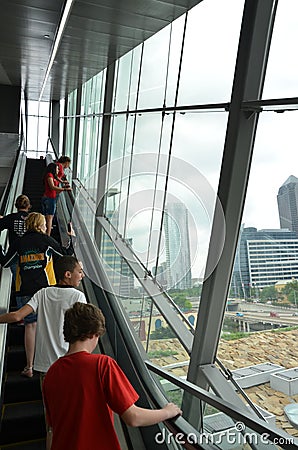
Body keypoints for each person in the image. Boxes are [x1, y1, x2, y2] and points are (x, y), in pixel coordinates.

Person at [43, 302, 182, 450]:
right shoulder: (102, 364)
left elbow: (52, 429)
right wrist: (167, 412)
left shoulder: (51, 373)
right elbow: (133, 417)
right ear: (93, 333)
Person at [0, 212, 75, 377]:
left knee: (30, 326)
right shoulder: (46, 241)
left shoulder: (19, 243)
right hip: (45, 291)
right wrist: (72, 239)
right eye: (44, 224)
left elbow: (5, 262)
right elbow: (65, 255)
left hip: (24, 290)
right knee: (50, 325)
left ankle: (29, 367)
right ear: (40, 225)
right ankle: (53, 362)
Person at [0, 195, 31, 281]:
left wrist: (3, 219)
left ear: (16, 205)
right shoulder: (33, 218)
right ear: (28, 206)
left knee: (17, 278)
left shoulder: (11, 218)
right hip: (30, 253)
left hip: (14, 253)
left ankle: (17, 289)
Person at [41, 162, 71, 236]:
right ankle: (47, 236)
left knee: (47, 217)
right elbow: (52, 187)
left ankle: (45, 234)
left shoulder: (52, 176)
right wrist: (64, 189)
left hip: (48, 197)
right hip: (49, 198)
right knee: (49, 218)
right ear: (53, 169)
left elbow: (57, 179)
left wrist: (63, 182)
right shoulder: (49, 175)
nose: (58, 170)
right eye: (57, 169)